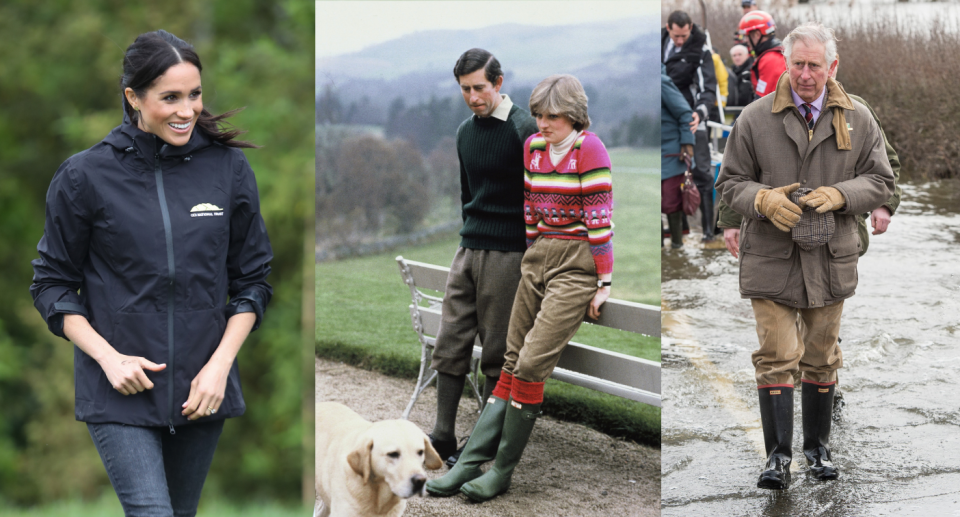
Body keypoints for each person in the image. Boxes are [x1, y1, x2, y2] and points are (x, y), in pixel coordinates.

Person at [29, 30, 273, 516]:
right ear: (133, 98)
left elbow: (253, 283)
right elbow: (52, 285)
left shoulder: (228, 170)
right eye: (171, 98)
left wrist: (219, 366)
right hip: (120, 391)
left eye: (195, 94)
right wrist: (109, 358)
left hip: (201, 390)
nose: (188, 110)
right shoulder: (84, 176)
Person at [715, 22, 894, 490]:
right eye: (798, 64)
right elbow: (729, 182)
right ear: (786, 63)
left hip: (830, 257)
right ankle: (778, 458)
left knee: (820, 356)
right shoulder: (754, 118)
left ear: (832, 66)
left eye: (815, 65)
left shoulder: (858, 117)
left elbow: (882, 181)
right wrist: (762, 201)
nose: (806, 74)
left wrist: (840, 194)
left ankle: (818, 452)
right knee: (776, 354)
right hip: (769, 255)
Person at [427, 74, 614, 502]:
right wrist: (533, 255)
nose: (543, 124)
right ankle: (470, 463)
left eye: (552, 117)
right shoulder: (533, 147)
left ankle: (502, 471)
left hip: (577, 259)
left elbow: (599, 221)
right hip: (538, 255)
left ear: (573, 116)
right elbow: (530, 206)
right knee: (511, 361)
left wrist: (602, 280)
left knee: (529, 365)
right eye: (538, 116)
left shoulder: (590, 149)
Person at [427, 48, 539, 467]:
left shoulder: (524, 128)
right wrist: (470, 238)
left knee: (497, 348)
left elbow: (538, 196)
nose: (472, 96)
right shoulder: (464, 133)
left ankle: (483, 442)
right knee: (450, 338)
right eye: (464, 90)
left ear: (499, 82)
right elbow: (466, 194)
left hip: (510, 254)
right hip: (469, 247)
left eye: (479, 87)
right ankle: (442, 436)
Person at [662, 10, 719, 241]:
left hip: (694, 120)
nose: (680, 41)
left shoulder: (701, 49)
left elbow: (708, 88)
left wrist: (700, 114)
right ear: (668, 29)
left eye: (684, 36)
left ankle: (707, 231)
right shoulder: (659, 44)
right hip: (667, 123)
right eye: (676, 36)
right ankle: (678, 231)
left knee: (702, 173)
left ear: (690, 29)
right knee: (673, 178)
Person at [662, 64, 696, 249]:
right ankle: (659, 246)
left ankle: (677, 245)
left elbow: (685, 113)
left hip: (673, 154)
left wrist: (687, 144)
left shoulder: (661, 82)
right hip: (658, 153)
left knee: (670, 202)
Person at [739, 11, 786, 98]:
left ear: (757, 34)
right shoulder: (775, 53)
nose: (745, 40)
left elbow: (762, 102)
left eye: (747, 36)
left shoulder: (770, 60)